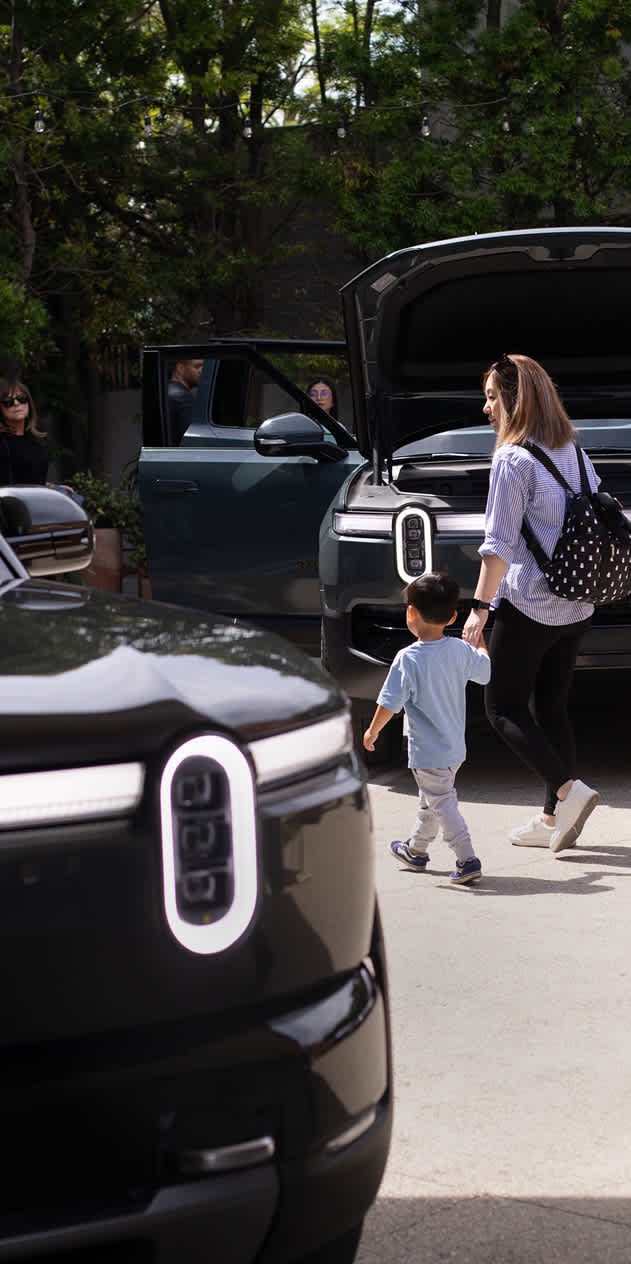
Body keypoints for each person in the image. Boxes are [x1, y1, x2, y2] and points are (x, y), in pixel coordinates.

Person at [461, 352, 600, 854]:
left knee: (502, 707)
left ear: (516, 401)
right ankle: (550, 819)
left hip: (532, 604)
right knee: (553, 705)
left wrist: (479, 608)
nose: (486, 409)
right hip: (578, 603)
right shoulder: (572, 449)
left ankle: (568, 791)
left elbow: (497, 546)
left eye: (493, 398)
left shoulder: (513, 458)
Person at [363, 571, 491, 885]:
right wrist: (480, 641)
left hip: (427, 751)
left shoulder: (408, 659)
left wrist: (373, 730)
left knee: (442, 802)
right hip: (454, 749)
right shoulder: (460, 651)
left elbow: (390, 702)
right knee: (430, 801)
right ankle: (416, 850)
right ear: (453, 617)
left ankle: (467, 857)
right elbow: (485, 673)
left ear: (411, 612)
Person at [0, 378, 48, 484]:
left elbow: (32, 478)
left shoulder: (34, 440)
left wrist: (50, 487)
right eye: (8, 402)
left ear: (29, 403)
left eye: (21, 398)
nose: (16, 403)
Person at [167, 358, 204, 443]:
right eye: (197, 366)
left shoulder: (165, 389)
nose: (202, 370)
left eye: (203, 366)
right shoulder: (182, 397)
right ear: (180, 368)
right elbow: (192, 439)